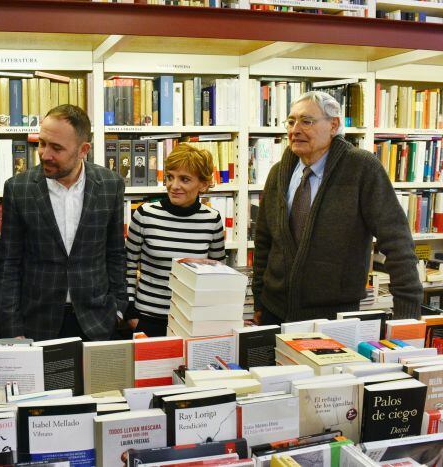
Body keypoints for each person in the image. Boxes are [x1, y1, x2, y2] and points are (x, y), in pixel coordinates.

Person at [252, 91, 422, 324]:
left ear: (334, 126)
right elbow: (264, 242)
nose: (295, 129)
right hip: (274, 311)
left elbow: (397, 242)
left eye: (306, 121)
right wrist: (259, 301)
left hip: (334, 318)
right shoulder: (279, 174)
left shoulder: (362, 168)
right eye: (291, 121)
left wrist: (407, 314)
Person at [0, 104, 127, 341]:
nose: (45, 154)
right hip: (37, 323)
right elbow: (9, 264)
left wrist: (118, 309)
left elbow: (115, 252)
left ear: (83, 150)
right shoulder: (18, 188)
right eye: (42, 143)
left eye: (56, 148)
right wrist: (12, 328)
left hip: (97, 321)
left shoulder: (111, 185)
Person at [125, 144, 226, 336]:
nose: (174, 185)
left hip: (192, 321)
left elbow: (216, 273)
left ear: (203, 184)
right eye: (170, 177)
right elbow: (128, 265)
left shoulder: (212, 219)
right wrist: (131, 313)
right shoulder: (145, 214)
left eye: (185, 179)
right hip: (148, 318)